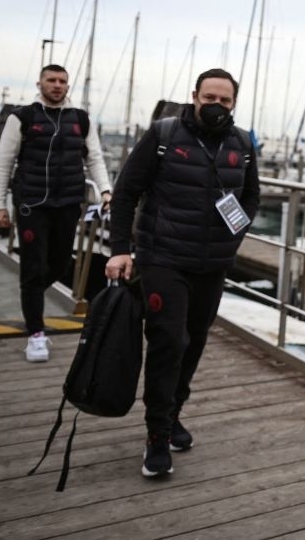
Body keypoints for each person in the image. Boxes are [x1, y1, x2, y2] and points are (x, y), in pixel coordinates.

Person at [105, 68, 260, 479]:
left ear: (233, 104)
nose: (216, 106)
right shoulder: (164, 135)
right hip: (163, 260)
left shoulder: (242, 144)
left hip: (213, 266)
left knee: (193, 343)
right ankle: (156, 435)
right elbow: (126, 192)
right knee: (168, 341)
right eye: (209, 97)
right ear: (195, 96)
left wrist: (234, 238)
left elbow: (251, 197)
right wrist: (120, 249)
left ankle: (172, 414)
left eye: (224, 101)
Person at [0, 64, 113, 363]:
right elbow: (4, 163)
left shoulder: (80, 119)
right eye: (51, 80)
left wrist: (106, 190)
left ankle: (29, 294)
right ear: (40, 83)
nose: (57, 85)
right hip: (32, 203)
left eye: (62, 81)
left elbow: (94, 158)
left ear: (67, 86)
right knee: (33, 266)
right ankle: (35, 334)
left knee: (58, 265)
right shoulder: (23, 117)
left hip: (68, 203)